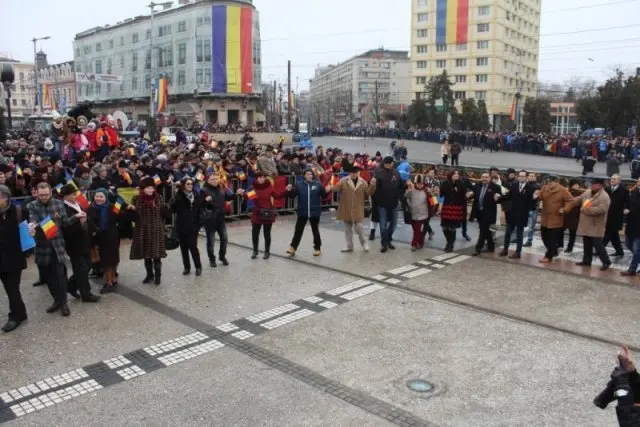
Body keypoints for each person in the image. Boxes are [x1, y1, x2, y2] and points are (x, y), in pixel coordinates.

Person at [28, 182, 84, 316]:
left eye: (46, 194)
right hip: (43, 246)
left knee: (59, 276)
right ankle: (56, 300)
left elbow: (65, 222)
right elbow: (33, 219)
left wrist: (75, 217)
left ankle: (64, 303)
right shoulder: (32, 205)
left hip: (57, 245)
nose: (44, 197)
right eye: (41, 195)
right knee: (49, 277)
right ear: (37, 193)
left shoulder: (59, 204)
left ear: (51, 193)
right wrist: (32, 225)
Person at [60, 185, 100, 302]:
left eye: (75, 193)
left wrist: (90, 228)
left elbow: (87, 221)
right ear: (65, 196)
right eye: (72, 194)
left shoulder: (79, 205)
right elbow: (66, 228)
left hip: (85, 241)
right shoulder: (64, 209)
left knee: (87, 266)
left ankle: (70, 287)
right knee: (81, 269)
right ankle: (86, 294)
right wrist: (80, 223)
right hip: (74, 244)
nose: (75, 196)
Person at [564, 177, 612, 271]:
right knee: (587, 242)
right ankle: (586, 260)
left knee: (598, 245)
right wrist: (571, 201)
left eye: (595, 185)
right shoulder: (588, 192)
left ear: (600, 186)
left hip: (595, 224)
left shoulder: (604, 196)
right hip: (586, 223)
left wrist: (587, 210)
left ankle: (606, 262)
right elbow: (580, 199)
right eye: (592, 184)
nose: (592, 186)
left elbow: (602, 210)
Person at [238, 171, 287, 259]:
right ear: (256, 179)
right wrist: (242, 193)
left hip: (268, 213)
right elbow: (249, 197)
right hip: (257, 213)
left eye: (263, 177)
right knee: (255, 233)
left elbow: (277, 196)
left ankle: (267, 252)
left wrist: (286, 190)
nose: (262, 179)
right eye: (260, 177)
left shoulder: (269, 187)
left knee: (267, 234)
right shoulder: (254, 188)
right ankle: (255, 251)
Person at [129, 177, 167, 285]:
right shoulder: (136, 199)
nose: (150, 190)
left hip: (156, 229)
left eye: (151, 188)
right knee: (146, 254)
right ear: (142, 188)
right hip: (143, 229)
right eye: (147, 188)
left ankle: (158, 276)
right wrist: (131, 209)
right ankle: (149, 275)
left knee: (156, 254)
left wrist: (166, 209)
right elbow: (134, 217)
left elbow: (163, 214)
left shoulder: (159, 198)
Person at [0, 184, 28, 332]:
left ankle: (16, 316)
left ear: (5, 198)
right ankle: (21, 312)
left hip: (14, 257)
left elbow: (28, 229)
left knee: (12, 288)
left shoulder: (19, 211)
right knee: (9, 288)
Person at [285, 168, 330, 257]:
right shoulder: (299, 184)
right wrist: (289, 190)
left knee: (315, 230)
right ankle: (293, 247)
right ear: (304, 176)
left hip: (314, 211)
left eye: (311, 174)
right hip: (303, 211)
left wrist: (327, 191)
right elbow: (292, 196)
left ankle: (317, 248)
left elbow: (324, 196)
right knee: (298, 230)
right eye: (308, 174)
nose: (310, 176)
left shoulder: (317, 184)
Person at [87, 188, 121, 293]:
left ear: (106, 197)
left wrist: (124, 204)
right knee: (105, 261)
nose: (98, 198)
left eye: (101, 196)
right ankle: (108, 282)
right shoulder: (91, 208)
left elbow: (121, 216)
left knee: (113, 258)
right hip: (99, 237)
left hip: (112, 236)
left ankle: (112, 280)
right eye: (97, 196)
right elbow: (89, 223)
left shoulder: (112, 207)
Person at [534, 176, 573, 264]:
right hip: (545, 218)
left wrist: (565, 209)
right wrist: (537, 195)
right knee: (544, 238)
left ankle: (548, 256)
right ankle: (553, 251)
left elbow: (571, 201)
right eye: (548, 182)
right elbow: (540, 196)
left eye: (551, 182)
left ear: (556, 182)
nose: (549, 184)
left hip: (556, 218)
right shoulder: (544, 188)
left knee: (552, 239)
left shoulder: (563, 190)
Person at [370, 156, 404, 253]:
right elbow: (374, 188)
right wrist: (377, 201)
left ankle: (388, 239)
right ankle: (384, 243)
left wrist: (401, 196)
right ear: (384, 163)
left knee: (394, 224)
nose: (389, 165)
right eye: (387, 164)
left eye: (390, 163)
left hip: (394, 202)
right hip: (382, 203)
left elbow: (401, 186)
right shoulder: (378, 172)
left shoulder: (396, 173)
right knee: (383, 225)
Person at [498, 170, 535, 259]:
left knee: (519, 234)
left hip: (522, 215)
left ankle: (518, 252)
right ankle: (505, 249)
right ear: (518, 177)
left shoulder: (530, 188)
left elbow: (532, 202)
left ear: (526, 177)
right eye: (520, 176)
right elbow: (508, 196)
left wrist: (534, 199)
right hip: (512, 213)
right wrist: (499, 197)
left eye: (523, 176)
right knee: (507, 233)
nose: (521, 178)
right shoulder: (513, 185)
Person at [335, 162, 370, 253]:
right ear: (349, 173)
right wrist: (337, 183)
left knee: (359, 227)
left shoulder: (363, 182)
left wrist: (373, 185)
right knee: (347, 228)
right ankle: (349, 246)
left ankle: (364, 243)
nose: (354, 174)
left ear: (358, 173)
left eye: (355, 172)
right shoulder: (344, 180)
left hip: (358, 208)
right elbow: (335, 189)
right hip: (346, 207)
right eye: (352, 172)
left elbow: (369, 193)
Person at [171, 177, 202, 275]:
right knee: (183, 248)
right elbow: (172, 209)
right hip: (182, 225)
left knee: (193, 246)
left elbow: (199, 210)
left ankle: (198, 267)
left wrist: (199, 223)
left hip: (193, 225)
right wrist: (174, 198)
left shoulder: (196, 194)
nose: (190, 186)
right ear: (183, 185)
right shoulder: (178, 196)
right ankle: (187, 267)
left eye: (191, 184)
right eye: (188, 184)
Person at [439, 170, 472, 253]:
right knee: (444, 227)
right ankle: (449, 241)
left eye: (458, 174)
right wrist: (439, 204)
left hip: (456, 208)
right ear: (451, 175)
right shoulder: (445, 183)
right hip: (446, 207)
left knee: (452, 227)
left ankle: (451, 244)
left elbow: (466, 194)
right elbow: (441, 195)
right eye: (455, 174)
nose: (457, 175)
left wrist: (469, 194)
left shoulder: (461, 184)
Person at [470, 172, 502, 256]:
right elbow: (474, 195)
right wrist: (469, 195)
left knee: (483, 231)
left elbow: (500, 198)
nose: (484, 179)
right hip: (479, 212)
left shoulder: (496, 187)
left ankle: (478, 249)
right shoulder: (478, 185)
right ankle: (491, 247)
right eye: (483, 177)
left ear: (490, 178)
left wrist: (498, 198)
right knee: (486, 230)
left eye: (486, 177)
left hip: (489, 213)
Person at [405, 174, 436, 251]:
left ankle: (414, 244)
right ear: (415, 183)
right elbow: (406, 197)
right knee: (416, 230)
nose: (419, 185)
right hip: (413, 213)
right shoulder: (411, 189)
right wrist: (408, 189)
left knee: (417, 230)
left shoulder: (426, 190)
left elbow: (434, 202)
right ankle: (421, 242)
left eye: (421, 184)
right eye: (418, 184)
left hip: (423, 214)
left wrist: (432, 194)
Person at [603, 174, 627, 258]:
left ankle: (600, 249)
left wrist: (626, 209)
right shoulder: (607, 189)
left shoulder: (623, 190)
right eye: (612, 178)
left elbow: (627, 202)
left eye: (615, 179)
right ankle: (619, 251)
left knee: (608, 233)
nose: (612, 180)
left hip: (617, 216)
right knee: (614, 235)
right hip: (607, 215)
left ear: (619, 181)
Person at [560, 179, 584, 253]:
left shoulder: (581, 194)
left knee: (572, 233)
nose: (577, 186)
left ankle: (570, 247)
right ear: (571, 185)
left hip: (575, 216)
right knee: (560, 230)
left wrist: (582, 209)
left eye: (577, 185)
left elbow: (585, 203)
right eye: (575, 185)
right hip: (566, 215)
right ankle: (560, 244)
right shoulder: (566, 192)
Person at [622, 178, 640, 276]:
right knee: (628, 243)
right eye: (638, 181)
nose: (638, 183)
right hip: (631, 223)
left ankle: (632, 269)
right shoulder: (633, 192)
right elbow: (627, 204)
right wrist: (626, 209)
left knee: (637, 249)